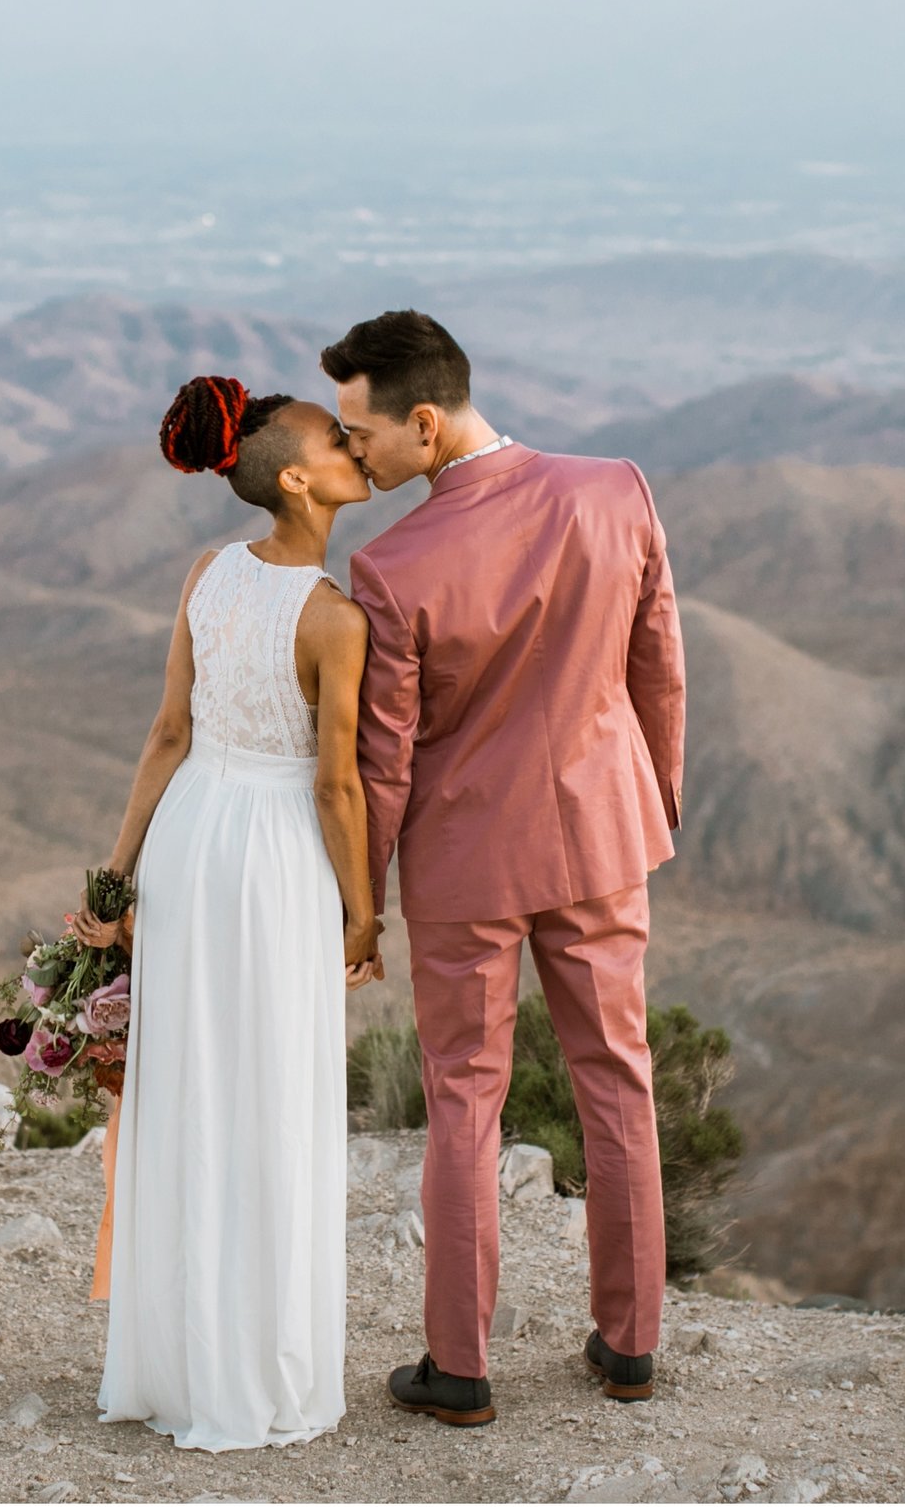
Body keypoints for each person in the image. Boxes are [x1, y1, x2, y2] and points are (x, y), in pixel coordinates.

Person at [326, 310, 686, 1426]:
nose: (353, 458)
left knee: (462, 1102)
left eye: (361, 433)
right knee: (618, 1080)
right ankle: (630, 1346)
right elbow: (657, 665)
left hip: (463, 866)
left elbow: (384, 762)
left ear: (423, 422)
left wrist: (363, 902)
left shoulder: (389, 565)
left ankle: (461, 1367)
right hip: (601, 839)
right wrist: (650, 806)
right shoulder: (613, 489)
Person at [79, 375, 386, 1452]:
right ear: (297, 480)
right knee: (269, 1092)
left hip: (189, 840)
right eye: (332, 442)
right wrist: (363, 914)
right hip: (271, 862)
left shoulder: (208, 576)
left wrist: (114, 883)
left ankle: (175, 1362)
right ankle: (256, 1370)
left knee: (189, 1087)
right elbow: (335, 786)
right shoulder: (334, 619)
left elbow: (167, 732)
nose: (353, 447)